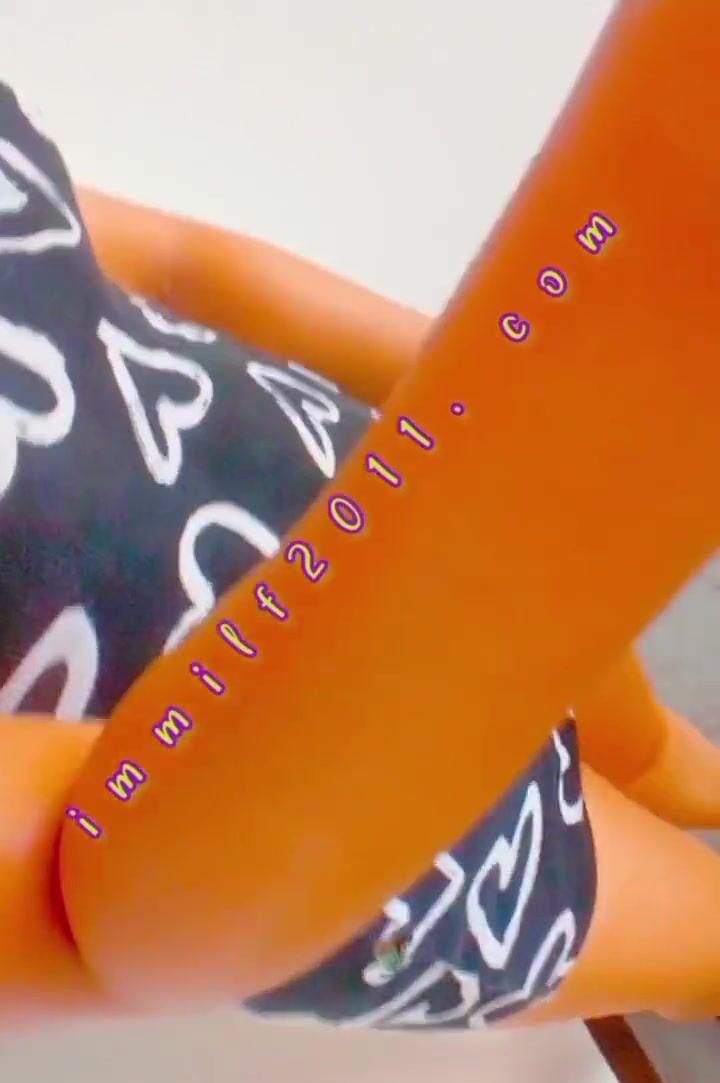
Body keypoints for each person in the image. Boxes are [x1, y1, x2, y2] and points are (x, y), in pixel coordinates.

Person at [1, 81, 719, 1031]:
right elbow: (71, 891)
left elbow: (173, 267)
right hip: (337, 826)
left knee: (652, 750)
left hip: (401, 498)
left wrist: (505, 410)